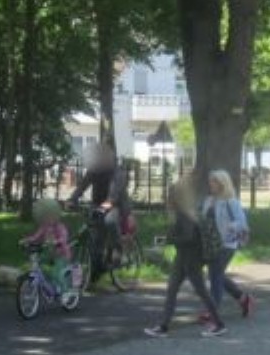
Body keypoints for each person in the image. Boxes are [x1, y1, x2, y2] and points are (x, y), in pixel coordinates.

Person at [145, 179, 226, 338]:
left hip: (190, 258)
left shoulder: (184, 214)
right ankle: (163, 326)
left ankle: (219, 324)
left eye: (170, 194)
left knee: (201, 291)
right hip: (183, 257)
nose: (167, 197)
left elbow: (189, 237)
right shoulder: (185, 211)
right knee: (172, 290)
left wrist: (170, 240)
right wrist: (169, 237)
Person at [200, 169, 255, 321]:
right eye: (211, 181)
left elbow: (241, 223)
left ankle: (213, 310)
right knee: (216, 275)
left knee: (215, 275)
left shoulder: (231, 202)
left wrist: (229, 228)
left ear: (223, 184)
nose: (211, 184)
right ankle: (244, 298)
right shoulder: (209, 200)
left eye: (214, 182)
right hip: (211, 244)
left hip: (226, 244)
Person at [68, 144, 130, 264]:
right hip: (97, 204)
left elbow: (113, 196)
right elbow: (82, 186)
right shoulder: (93, 170)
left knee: (110, 221)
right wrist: (72, 199)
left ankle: (118, 248)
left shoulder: (118, 172)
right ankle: (96, 262)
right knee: (94, 233)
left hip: (115, 205)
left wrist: (101, 209)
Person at [21, 198, 75, 293]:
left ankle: (65, 291)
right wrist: (27, 240)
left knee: (57, 273)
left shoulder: (60, 227)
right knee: (37, 263)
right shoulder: (44, 227)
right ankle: (43, 281)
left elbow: (64, 238)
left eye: (50, 217)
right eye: (46, 217)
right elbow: (36, 236)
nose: (48, 219)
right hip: (49, 253)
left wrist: (56, 241)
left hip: (61, 254)